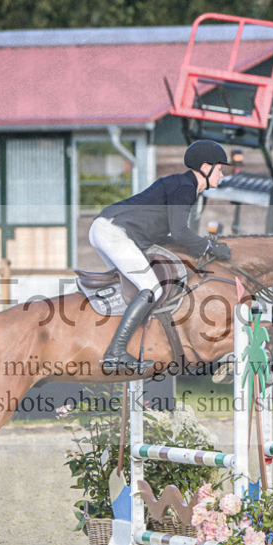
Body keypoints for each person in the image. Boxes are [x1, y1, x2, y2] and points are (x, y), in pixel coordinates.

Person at [89, 139, 233, 373]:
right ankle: (114, 353)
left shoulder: (181, 184)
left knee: (134, 289)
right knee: (151, 288)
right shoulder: (186, 187)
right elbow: (180, 232)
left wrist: (203, 245)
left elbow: (171, 236)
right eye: (219, 169)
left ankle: (120, 345)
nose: (222, 174)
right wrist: (209, 246)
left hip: (105, 229)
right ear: (206, 168)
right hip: (113, 232)